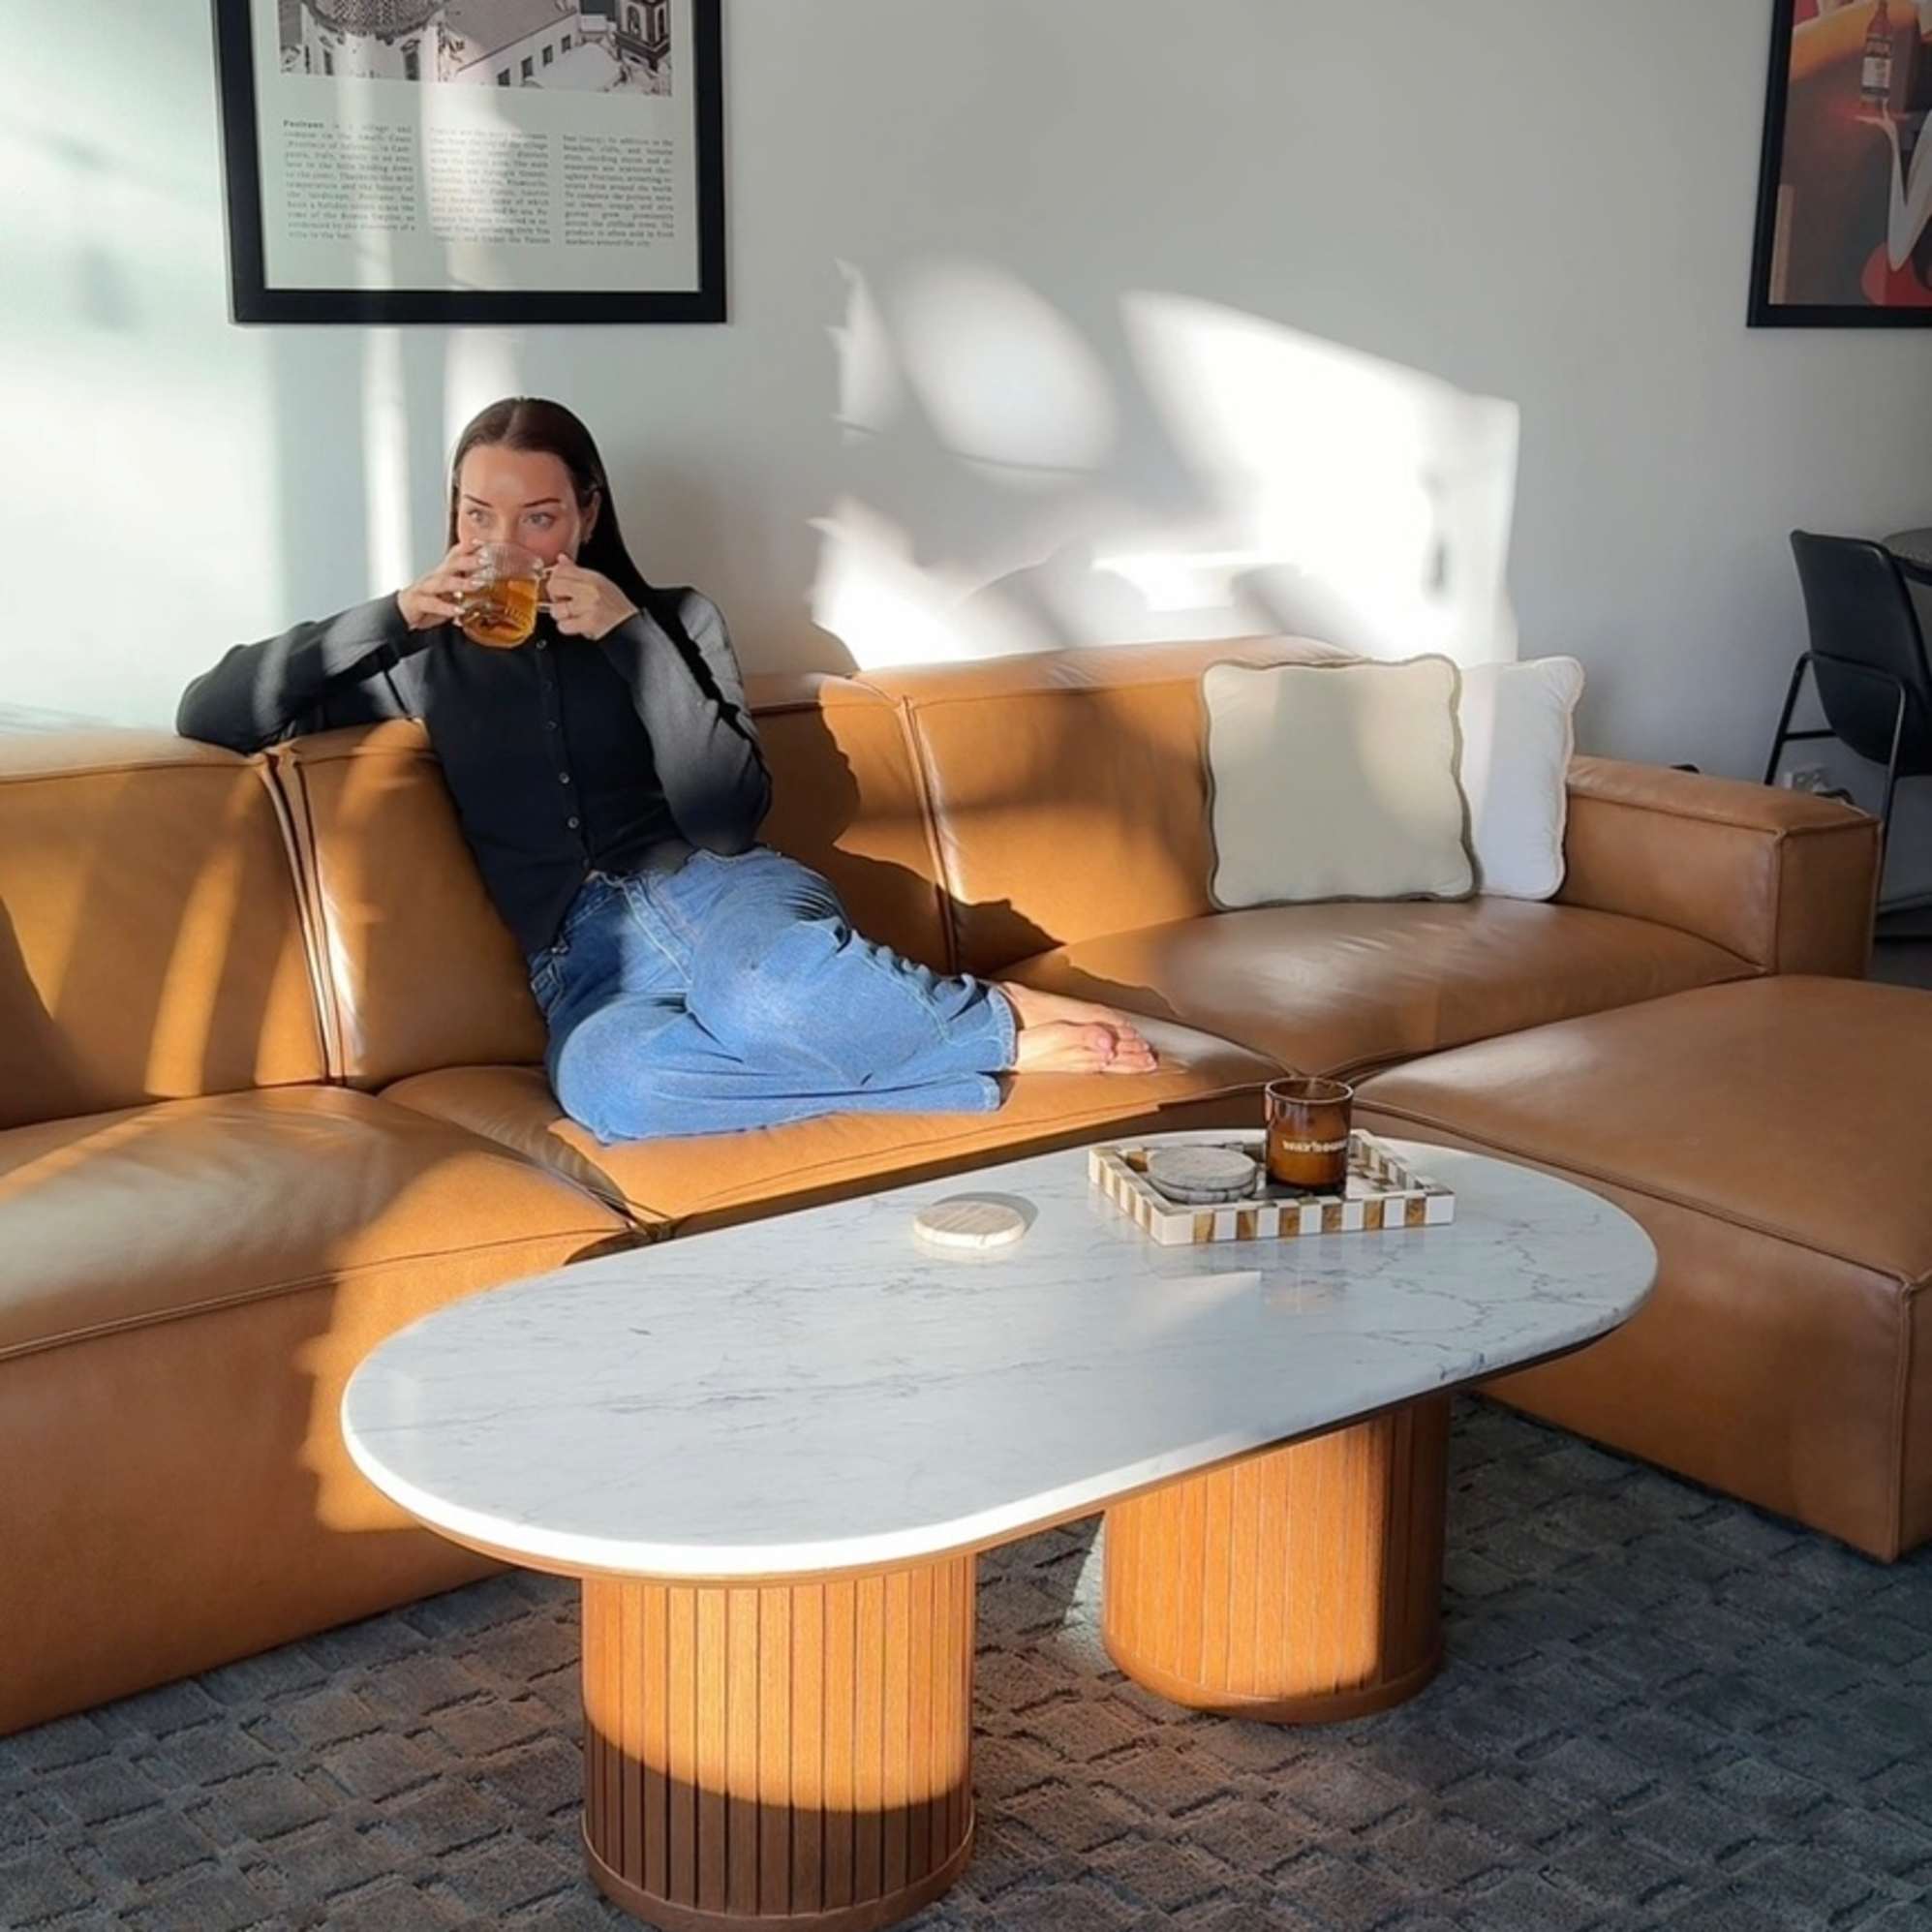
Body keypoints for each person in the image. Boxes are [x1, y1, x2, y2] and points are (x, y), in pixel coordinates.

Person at [177, 397, 1158, 1142]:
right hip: (583, 964)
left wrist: (633, 642)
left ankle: (942, 1019)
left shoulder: (676, 622)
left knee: (768, 998)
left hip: (720, 895)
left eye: (539, 518)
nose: (504, 546)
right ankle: (984, 1029)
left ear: (589, 514)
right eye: (479, 517)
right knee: (615, 1092)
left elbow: (728, 817)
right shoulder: (425, 660)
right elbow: (213, 710)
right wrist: (393, 612)